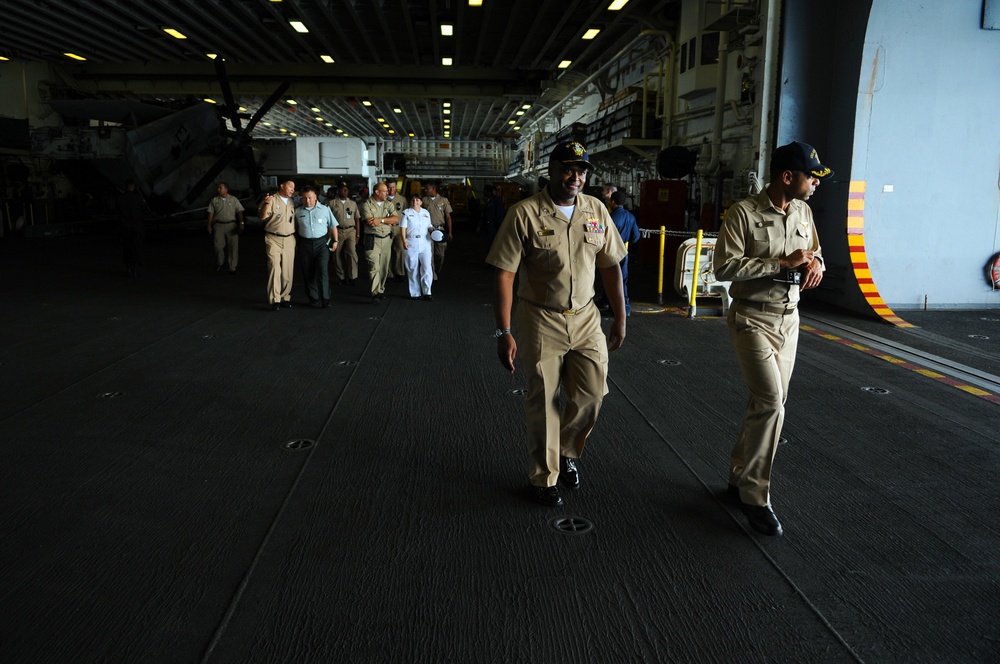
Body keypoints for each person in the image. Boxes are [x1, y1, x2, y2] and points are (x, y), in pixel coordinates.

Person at [486, 141, 627, 507]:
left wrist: (621, 317)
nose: (575, 176)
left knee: (592, 394)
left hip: (586, 318)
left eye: (581, 170)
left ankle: (566, 451)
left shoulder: (596, 210)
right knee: (544, 399)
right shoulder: (525, 214)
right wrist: (504, 332)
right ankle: (543, 477)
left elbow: (611, 266)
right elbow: (504, 275)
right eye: (568, 168)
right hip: (539, 318)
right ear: (550, 169)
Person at [713, 141, 832, 537]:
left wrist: (816, 265)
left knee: (767, 402)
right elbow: (725, 267)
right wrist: (780, 263)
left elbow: (815, 252)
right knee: (771, 402)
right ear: (787, 177)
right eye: (810, 176)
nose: (815, 183)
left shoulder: (803, 211)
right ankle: (755, 496)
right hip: (752, 319)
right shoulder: (743, 214)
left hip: (789, 321)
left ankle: (737, 475)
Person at [294, 186, 338, 308]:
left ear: (316, 197)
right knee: (308, 272)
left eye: (310, 198)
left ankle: (325, 299)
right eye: (305, 198)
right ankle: (313, 298)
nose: (307, 201)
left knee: (323, 271)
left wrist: (335, 240)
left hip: (321, 244)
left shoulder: (324, 209)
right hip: (305, 244)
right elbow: (294, 228)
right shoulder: (298, 212)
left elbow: (333, 225)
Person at [258, 178, 297, 311]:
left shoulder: (292, 202)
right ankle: (275, 300)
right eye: (290, 186)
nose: (292, 189)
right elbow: (262, 217)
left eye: (293, 187)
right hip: (273, 238)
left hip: (289, 239)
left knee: (287, 271)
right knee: (275, 268)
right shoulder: (272, 199)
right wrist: (265, 204)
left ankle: (285, 297)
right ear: (281, 185)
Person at [360, 181, 399, 303]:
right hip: (372, 239)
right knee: (374, 266)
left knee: (384, 267)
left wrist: (381, 220)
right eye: (385, 191)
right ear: (377, 192)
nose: (388, 193)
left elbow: (396, 219)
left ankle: (381, 289)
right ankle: (375, 293)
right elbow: (370, 222)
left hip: (387, 239)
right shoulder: (366, 204)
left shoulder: (389, 204)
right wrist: (388, 220)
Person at [608, 191, 641, 315]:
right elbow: (635, 237)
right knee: (622, 279)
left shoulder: (611, 218)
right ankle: (622, 306)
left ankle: (620, 309)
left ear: (612, 201)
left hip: (611, 252)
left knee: (613, 280)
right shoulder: (631, 216)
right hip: (623, 251)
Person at [400, 193, 434, 300]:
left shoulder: (426, 213)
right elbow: (403, 228)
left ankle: (427, 292)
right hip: (411, 241)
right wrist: (404, 240)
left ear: (421, 202)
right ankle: (415, 293)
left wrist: (435, 233)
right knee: (412, 267)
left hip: (425, 241)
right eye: (413, 200)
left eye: (417, 200)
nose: (415, 202)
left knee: (427, 267)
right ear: (411, 202)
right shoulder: (406, 213)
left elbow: (429, 226)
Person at [206, 182, 245, 275]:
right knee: (218, 245)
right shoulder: (214, 200)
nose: (218, 189)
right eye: (218, 188)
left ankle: (232, 266)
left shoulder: (233, 199)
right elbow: (210, 213)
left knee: (233, 246)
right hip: (218, 225)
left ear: (226, 189)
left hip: (231, 225)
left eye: (221, 188)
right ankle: (220, 262)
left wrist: (241, 222)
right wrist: (209, 225)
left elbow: (239, 211)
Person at [329, 183, 360, 286]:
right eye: (342, 189)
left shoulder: (352, 204)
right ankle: (341, 276)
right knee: (337, 255)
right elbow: (328, 220)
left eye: (346, 189)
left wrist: (358, 234)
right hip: (337, 231)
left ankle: (353, 276)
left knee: (352, 253)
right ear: (338, 191)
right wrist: (330, 235)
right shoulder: (332, 203)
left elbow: (357, 219)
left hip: (351, 230)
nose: (344, 191)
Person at [422, 182, 453, 279]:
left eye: (427, 189)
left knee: (440, 254)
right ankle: (432, 275)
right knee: (429, 254)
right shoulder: (423, 200)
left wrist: (450, 232)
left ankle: (437, 270)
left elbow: (448, 217)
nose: (425, 190)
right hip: (427, 230)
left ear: (433, 188)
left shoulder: (443, 200)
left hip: (440, 229)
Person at [117, 180, 145, 277]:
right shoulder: (138, 199)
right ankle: (135, 268)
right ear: (133, 187)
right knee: (136, 248)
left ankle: (128, 267)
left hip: (125, 227)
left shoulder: (120, 199)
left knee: (127, 248)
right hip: (136, 227)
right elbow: (143, 212)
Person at [386, 180, 408, 281]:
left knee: (400, 250)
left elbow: (407, 214)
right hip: (386, 228)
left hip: (399, 228)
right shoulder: (383, 199)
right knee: (387, 251)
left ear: (396, 188)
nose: (391, 190)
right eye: (389, 187)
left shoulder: (402, 199)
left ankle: (400, 272)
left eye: (393, 187)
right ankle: (389, 273)